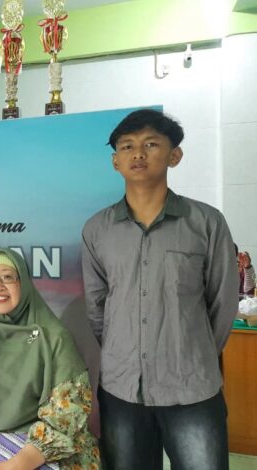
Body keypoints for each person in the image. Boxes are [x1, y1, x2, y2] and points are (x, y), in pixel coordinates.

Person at [81, 108, 239, 470]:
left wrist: (191, 351)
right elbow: (97, 307)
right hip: (122, 389)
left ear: (174, 155)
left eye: (151, 144)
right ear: (115, 162)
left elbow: (223, 303)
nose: (138, 153)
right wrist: (124, 348)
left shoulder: (206, 223)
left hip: (192, 388)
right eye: (127, 146)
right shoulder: (97, 229)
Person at [0, 248, 100, 470]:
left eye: (7, 277)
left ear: (23, 282)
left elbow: (69, 413)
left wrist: (21, 463)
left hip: (36, 454)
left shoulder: (52, 337)